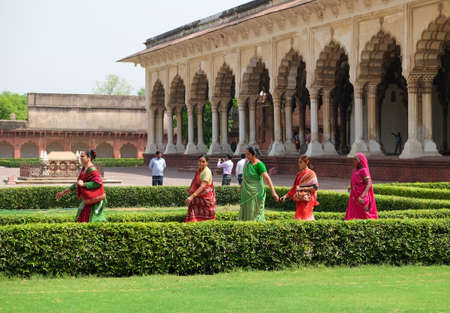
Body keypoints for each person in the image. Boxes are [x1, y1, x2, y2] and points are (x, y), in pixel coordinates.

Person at [56, 150, 106, 223]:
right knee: (82, 216)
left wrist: (84, 184)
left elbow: (98, 183)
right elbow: (77, 184)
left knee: (93, 219)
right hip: (88, 199)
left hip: (95, 199)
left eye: (82, 156)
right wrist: (63, 192)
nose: (80, 158)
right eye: (80, 156)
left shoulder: (92, 169)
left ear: (88, 158)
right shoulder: (84, 169)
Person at [239, 147, 279, 221]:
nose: (246, 156)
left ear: (254, 155)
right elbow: (245, 177)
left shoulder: (259, 165)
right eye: (246, 154)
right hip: (246, 192)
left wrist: (273, 192)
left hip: (256, 193)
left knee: (255, 213)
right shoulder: (248, 164)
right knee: (247, 211)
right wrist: (241, 187)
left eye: (248, 154)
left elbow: (267, 178)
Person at [280, 156, 319, 221]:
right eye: (298, 162)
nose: (299, 164)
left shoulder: (311, 173)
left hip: (307, 200)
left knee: (307, 218)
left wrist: (302, 188)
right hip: (299, 199)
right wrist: (285, 196)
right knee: (299, 218)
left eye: (301, 162)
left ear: (306, 162)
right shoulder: (299, 174)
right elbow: (294, 188)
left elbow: (315, 187)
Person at [345, 152, 378, 220]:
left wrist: (362, 196)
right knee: (353, 216)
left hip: (361, 197)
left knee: (365, 216)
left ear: (360, 161)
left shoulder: (364, 170)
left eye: (355, 160)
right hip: (354, 197)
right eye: (353, 159)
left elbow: (369, 184)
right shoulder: (354, 170)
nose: (353, 161)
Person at [185, 154, 216, 222]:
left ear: (207, 163)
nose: (201, 163)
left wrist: (191, 196)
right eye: (199, 161)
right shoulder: (199, 170)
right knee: (193, 207)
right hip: (199, 196)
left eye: (203, 161)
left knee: (207, 217)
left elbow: (203, 186)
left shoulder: (207, 171)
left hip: (206, 197)